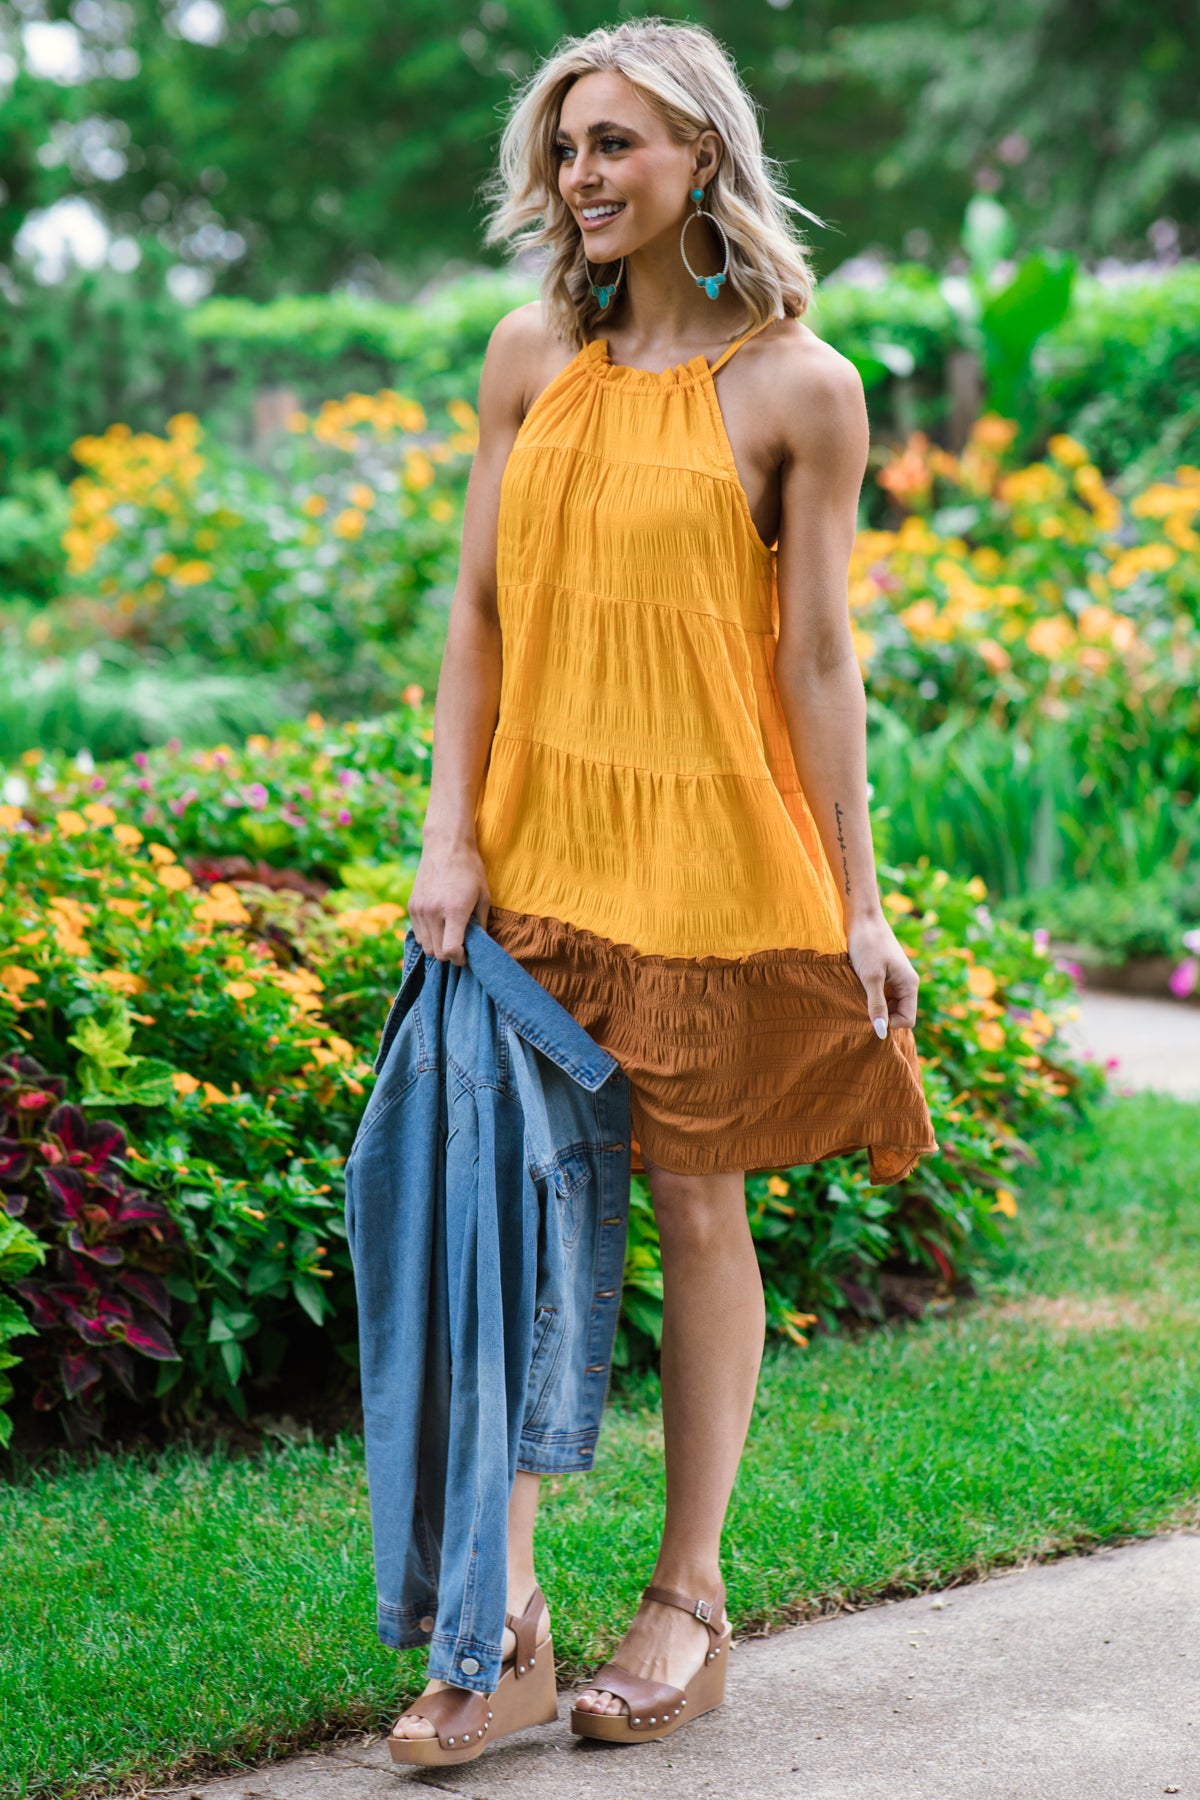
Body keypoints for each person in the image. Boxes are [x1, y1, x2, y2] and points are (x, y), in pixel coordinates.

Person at [389, 13, 937, 1754]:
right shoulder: (527, 355)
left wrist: (859, 900)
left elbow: (822, 667)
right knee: (505, 1234)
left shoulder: (802, 389)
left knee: (698, 1215)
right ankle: (506, 1621)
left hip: (708, 867)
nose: (581, 177)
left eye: (613, 142)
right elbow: (474, 612)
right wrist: (447, 834)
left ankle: (687, 1597)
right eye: (564, 148)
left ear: (702, 153)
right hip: (535, 864)